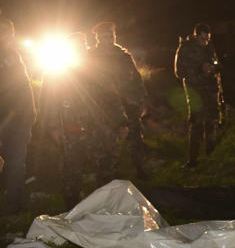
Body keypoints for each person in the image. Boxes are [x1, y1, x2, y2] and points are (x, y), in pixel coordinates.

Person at [33, 32, 106, 207]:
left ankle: (102, 207)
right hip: (69, 131)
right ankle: (72, 209)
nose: (78, 48)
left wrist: (119, 122)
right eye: (74, 45)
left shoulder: (96, 69)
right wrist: (54, 128)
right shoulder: (56, 72)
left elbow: (109, 97)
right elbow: (48, 102)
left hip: (96, 129)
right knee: (71, 173)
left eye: (81, 45)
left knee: (103, 170)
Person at [88, 21, 148, 179]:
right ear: (98, 38)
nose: (109, 39)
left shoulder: (123, 56)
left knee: (136, 139)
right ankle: (106, 177)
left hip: (130, 105)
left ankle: (139, 169)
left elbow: (136, 79)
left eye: (112, 35)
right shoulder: (91, 57)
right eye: (105, 36)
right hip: (105, 109)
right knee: (107, 144)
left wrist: (142, 101)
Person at [174, 23, 225, 167]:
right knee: (196, 123)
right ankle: (193, 159)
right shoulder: (185, 49)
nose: (205, 43)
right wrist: (199, 69)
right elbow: (179, 73)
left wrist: (213, 67)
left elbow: (218, 64)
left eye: (207, 39)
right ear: (196, 36)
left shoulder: (209, 47)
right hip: (195, 91)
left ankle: (211, 155)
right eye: (202, 40)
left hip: (211, 89)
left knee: (212, 122)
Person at [0, 17, 36, 213]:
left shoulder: (14, 56)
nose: (3, 35)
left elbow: (24, 87)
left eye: (6, 31)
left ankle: (14, 207)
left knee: (15, 163)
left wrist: (30, 115)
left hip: (17, 121)